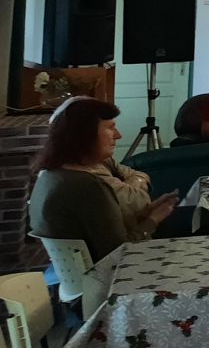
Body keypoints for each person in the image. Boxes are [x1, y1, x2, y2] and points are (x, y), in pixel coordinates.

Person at [27, 98, 179, 263]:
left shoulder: (50, 174)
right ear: (86, 135)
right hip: (104, 275)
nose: (118, 135)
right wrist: (153, 219)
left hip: (72, 273)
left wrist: (145, 214)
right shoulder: (88, 186)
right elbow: (118, 254)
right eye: (110, 128)